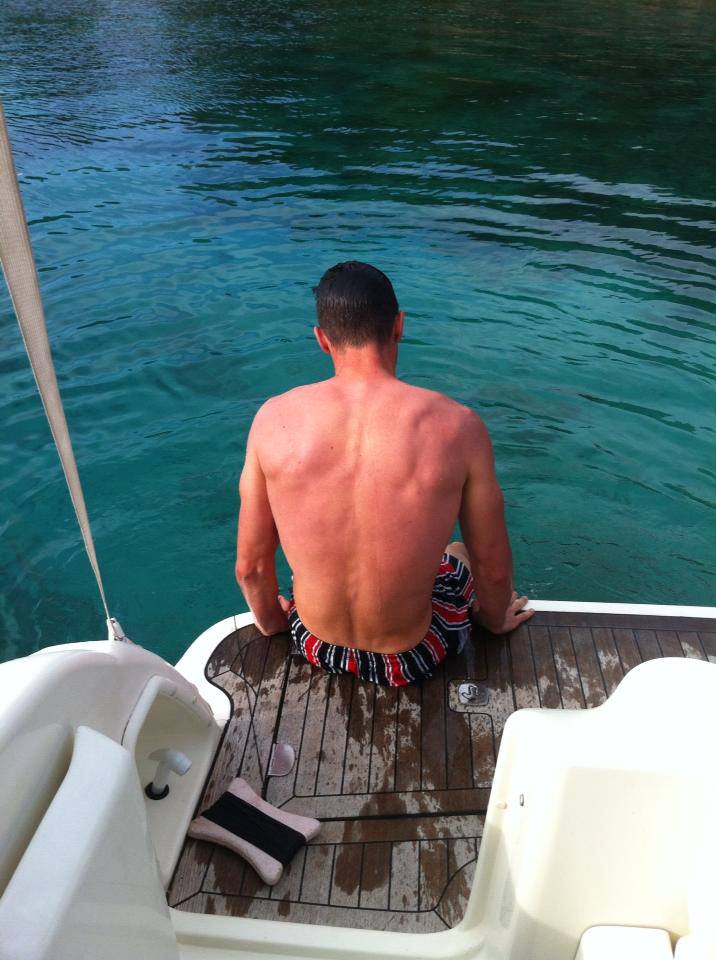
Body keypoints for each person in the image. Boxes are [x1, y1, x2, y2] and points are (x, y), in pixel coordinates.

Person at [236, 261, 534, 686]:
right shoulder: (458, 426)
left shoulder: (271, 420)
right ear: (399, 326)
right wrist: (494, 620)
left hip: (315, 644)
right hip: (415, 654)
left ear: (322, 339)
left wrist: (272, 624)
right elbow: (494, 569)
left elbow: (250, 568)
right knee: (457, 550)